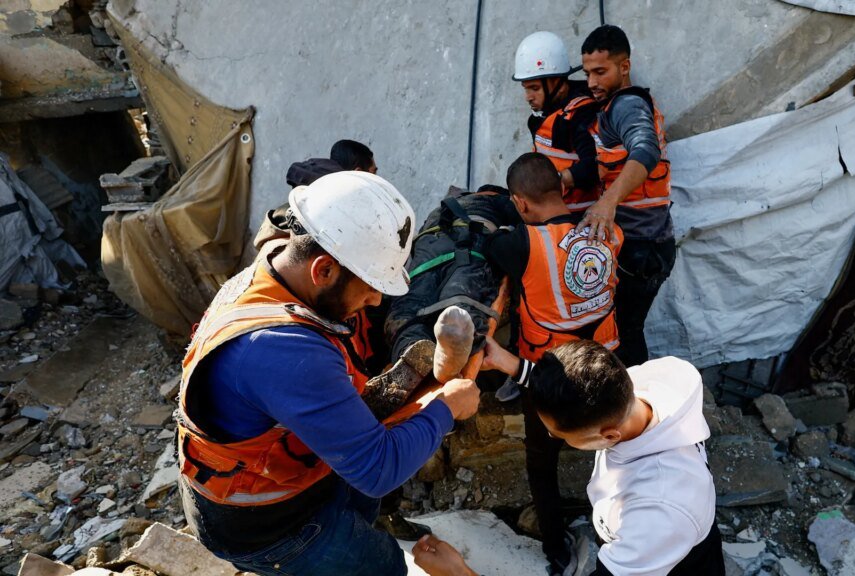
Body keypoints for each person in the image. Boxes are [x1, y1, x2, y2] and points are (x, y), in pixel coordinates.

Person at [177, 171, 481, 576]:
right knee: (384, 565)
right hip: (267, 526)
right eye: (371, 286)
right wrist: (447, 408)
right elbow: (377, 469)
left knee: (358, 513)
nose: (375, 301)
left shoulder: (269, 278)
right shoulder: (282, 350)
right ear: (323, 270)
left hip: (285, 481)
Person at [414, 340, 724, 576]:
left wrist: (461, 573)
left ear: (609, 436)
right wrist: (511, 364)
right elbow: (576, 390)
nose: (552, 437)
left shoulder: (658, 511)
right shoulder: (640, 393)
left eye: (559, 436)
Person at [484, 152, 622, 575]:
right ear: (560, 189)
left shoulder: (519, 244)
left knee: (541, 463)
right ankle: (620, 523)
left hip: (551, 374)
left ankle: (556, 549)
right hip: (606, 364)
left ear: (520, 203)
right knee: (614, 445)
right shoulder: (610, 232)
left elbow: (488, 246)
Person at [577, 25, 675, 368]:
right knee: (626, 330)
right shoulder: (615, 104)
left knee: (623, 335)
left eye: (600, 72)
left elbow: (645, 149)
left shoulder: (627, 105)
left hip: (641, 248)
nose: (592, 83)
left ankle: (633, 409)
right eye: (587, 73)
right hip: (647, 244)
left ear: (625, 67)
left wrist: (608, 201)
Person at [512, 31, 600, 211]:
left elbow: (594, 165)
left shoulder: (580, 115)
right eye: (526, 89)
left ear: (556, 82)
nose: (528, 97)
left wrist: (554, 181)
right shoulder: (545, 115)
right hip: (549, 212)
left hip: (576, 217)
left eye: (534, 89)